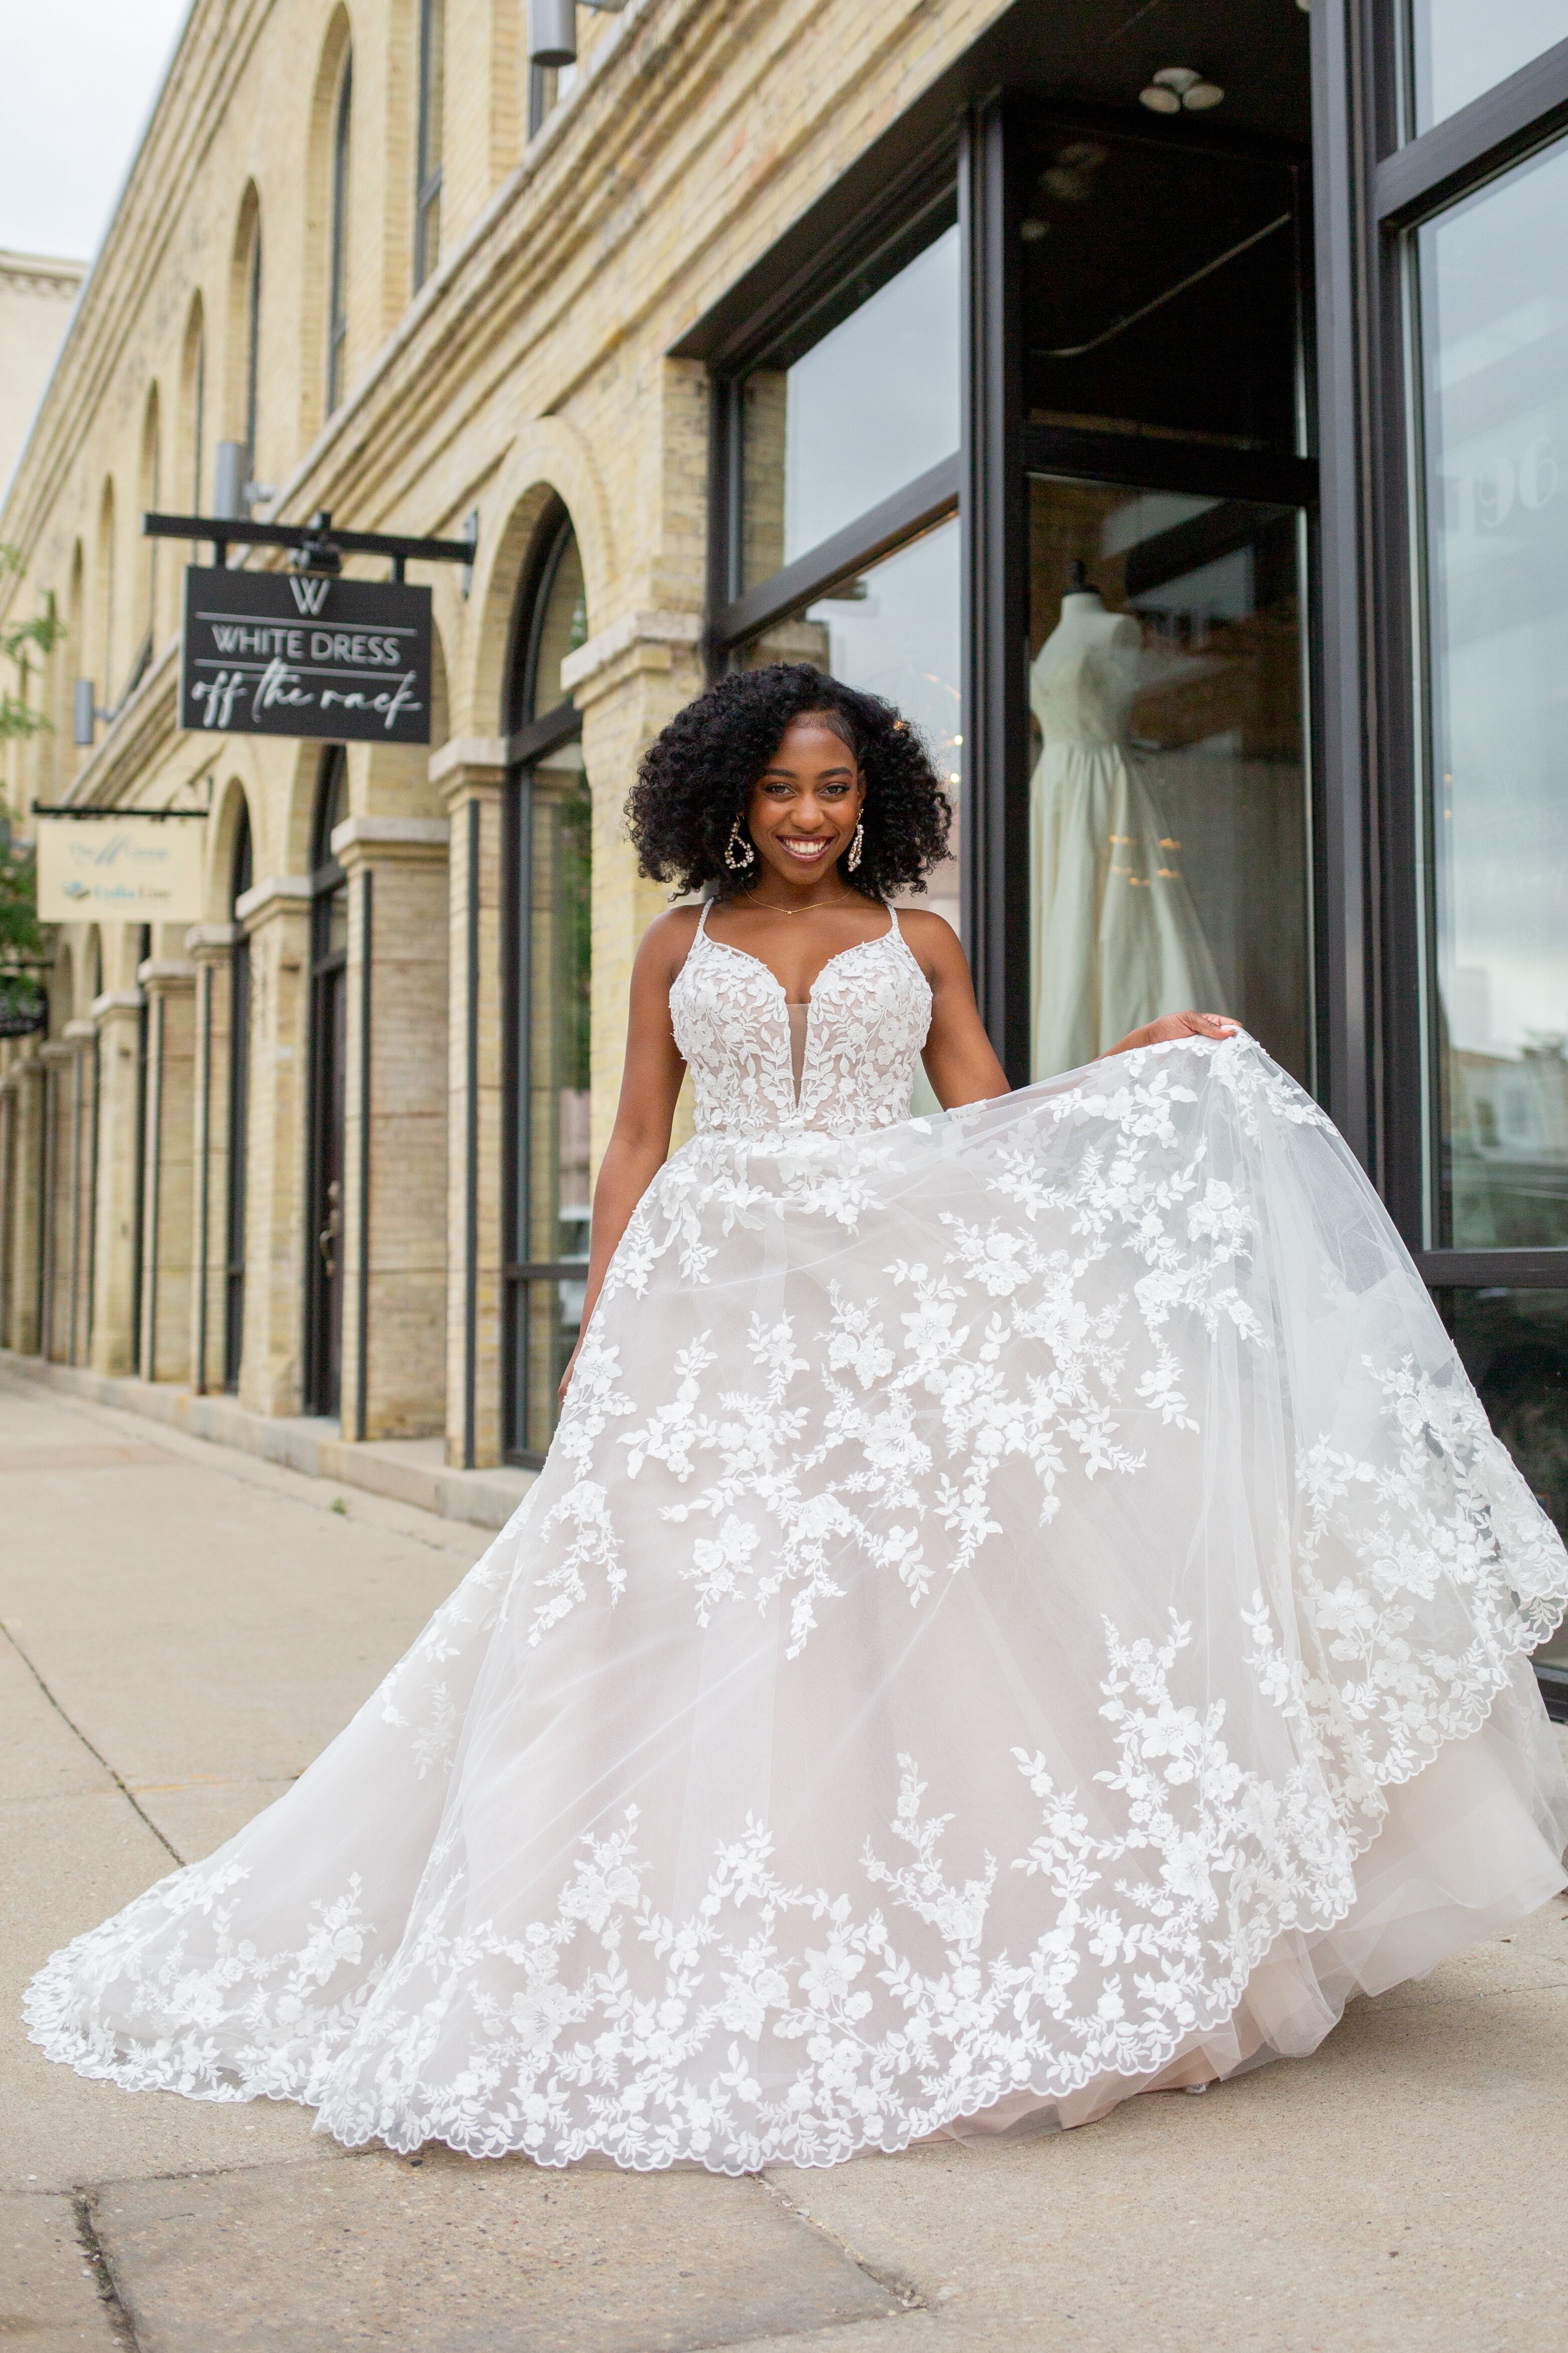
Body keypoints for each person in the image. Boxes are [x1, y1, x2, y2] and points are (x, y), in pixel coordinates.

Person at [28, 663, 1568, 2173]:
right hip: (710, 1307)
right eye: (781, 788)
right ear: (729, 797)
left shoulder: (922, 939)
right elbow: (635, 1139)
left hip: (887, 1296)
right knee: (679, 1599)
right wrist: (599, 1319)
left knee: (911, 1596)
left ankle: (927, 1919)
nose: (809, 815)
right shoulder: (669, 944)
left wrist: (1132, 1070)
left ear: (871, 796)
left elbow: (988, 1127)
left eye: (834, 788)